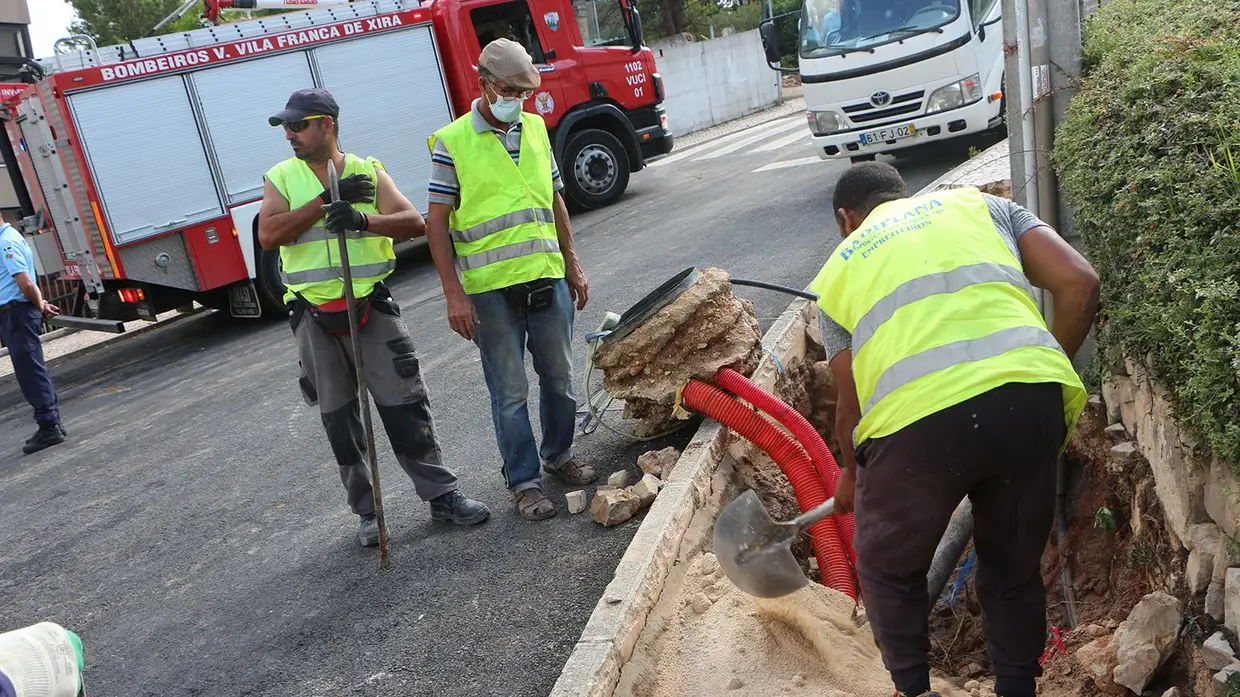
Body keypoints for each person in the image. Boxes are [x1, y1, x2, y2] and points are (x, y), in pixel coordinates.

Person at [808, 162, 1100, 697]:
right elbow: (1080, 281)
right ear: (903, 194)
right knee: (1012, 567)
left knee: (888, 567)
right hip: (1029, 403)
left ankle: (912, 690)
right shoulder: (984, 208)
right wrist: (1039, 371)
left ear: (846, 218)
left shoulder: (842, 266)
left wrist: (852, 477)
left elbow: (850, 405)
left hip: (917, 429)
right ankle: (1017, 687)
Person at [257, 88, 490, 547]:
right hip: (314, 315)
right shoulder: (282, 177)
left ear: (326, 124)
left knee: (406, 404)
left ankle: (442, 495)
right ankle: (368, 513)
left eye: (298, 125)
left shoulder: (367, 170)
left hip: (369, 307)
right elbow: (268, 235)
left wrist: (363, 222)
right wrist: (324, 202)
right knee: (338, 418)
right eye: (286, 126)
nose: (289, 134)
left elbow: (412, 222)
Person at [425, 39, 596, 521]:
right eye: (509, 92)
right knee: (511, 390)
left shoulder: (537, 129)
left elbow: (555, 200)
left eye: (524, 94)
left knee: (560, 379)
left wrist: (572, 263)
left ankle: (559, 455)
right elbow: (435, 223)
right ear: (485, 84)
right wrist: (453, 293)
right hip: (490, 291)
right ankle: (524, 482)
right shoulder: (452, 142)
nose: (517, 102)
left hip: (546, 278)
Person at [1, 223, 67, 455]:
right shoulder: (10, 237)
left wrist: (39, 304)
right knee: (33, 368)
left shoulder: (5, 242)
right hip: (17, 312)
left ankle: (49, 426)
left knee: (30, 371)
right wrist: (40, 304)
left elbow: (26, 282)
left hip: (16, 314)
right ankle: (53, 422)